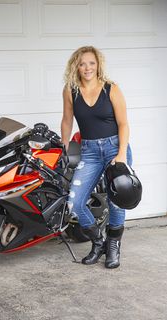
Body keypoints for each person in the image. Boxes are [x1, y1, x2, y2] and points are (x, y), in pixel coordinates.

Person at [61, 46, 132, 268]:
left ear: (98, 64)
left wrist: (121, 155)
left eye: (91, 63)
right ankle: (98, 242)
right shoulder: (70, 90)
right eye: (82, 63)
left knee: (116, 202)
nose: (87, 67)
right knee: (75, 202)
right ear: (76, 66)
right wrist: (65, 148)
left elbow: (123, 124)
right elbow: (66, 120)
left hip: (114, 148)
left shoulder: (111, 89)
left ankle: (113, 247)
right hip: (89, 151)